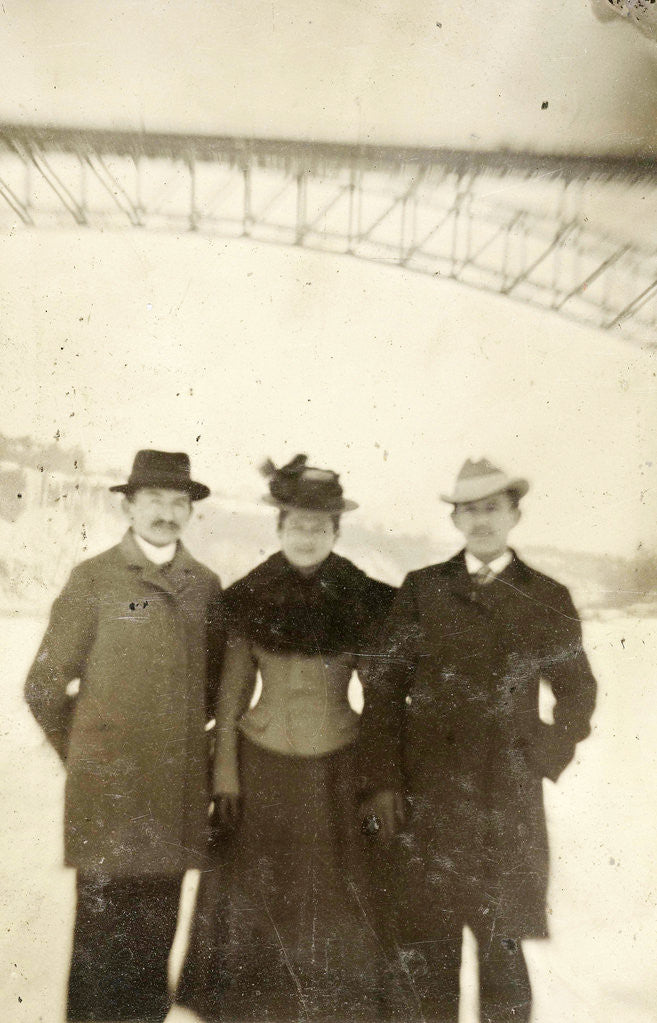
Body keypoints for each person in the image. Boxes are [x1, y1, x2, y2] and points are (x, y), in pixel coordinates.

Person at [358, 458, 598, 1023]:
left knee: (503, 956)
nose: (481, 521)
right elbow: (383, 687)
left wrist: (538, 752)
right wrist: (386, 781)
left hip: (504, 805)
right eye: (469, 511)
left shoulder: (546, 595)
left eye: (492, 509)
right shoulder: (424, 590)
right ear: (456, 520)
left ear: (514, 514)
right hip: (429, 799)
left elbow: (578, 691)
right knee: (427, 957)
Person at [176, 454, 396, 1023]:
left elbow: (381, 704)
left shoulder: (369, 601)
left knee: (333, 901)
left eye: (318, 527)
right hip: (261, 770)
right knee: (260, 903)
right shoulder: (247, 597)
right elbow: (229, 701)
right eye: (296, 525)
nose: (306, 536)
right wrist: (224, 777)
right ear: (278, 529)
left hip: (336, 772)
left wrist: (377, 782)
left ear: (336, 533)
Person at [24, 449, 224, 1023]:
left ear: (190, 512)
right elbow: (44, 686)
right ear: (130, 505)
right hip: (107, 801)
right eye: (155, 499)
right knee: (100, 946)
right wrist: (88, 755)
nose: (167, 511)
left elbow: (210, 685)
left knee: (152, 944)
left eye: (178, 501)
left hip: (171, 799)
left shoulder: (203, 587)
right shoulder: (95, 580)